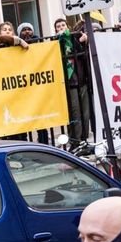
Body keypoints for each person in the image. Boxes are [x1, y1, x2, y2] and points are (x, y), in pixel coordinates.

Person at [52, 18, 92, 148]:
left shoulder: (74, 38)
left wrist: (82, 41)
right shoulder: (55, 42)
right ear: (55, 30)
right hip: (69, 83)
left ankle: (84, 140)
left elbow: (83, 54)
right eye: (58, 26)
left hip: (81, 79)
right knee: (75, 113)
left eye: (63, 25)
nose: (61, 28)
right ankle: (75, 142)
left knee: (85, 112)